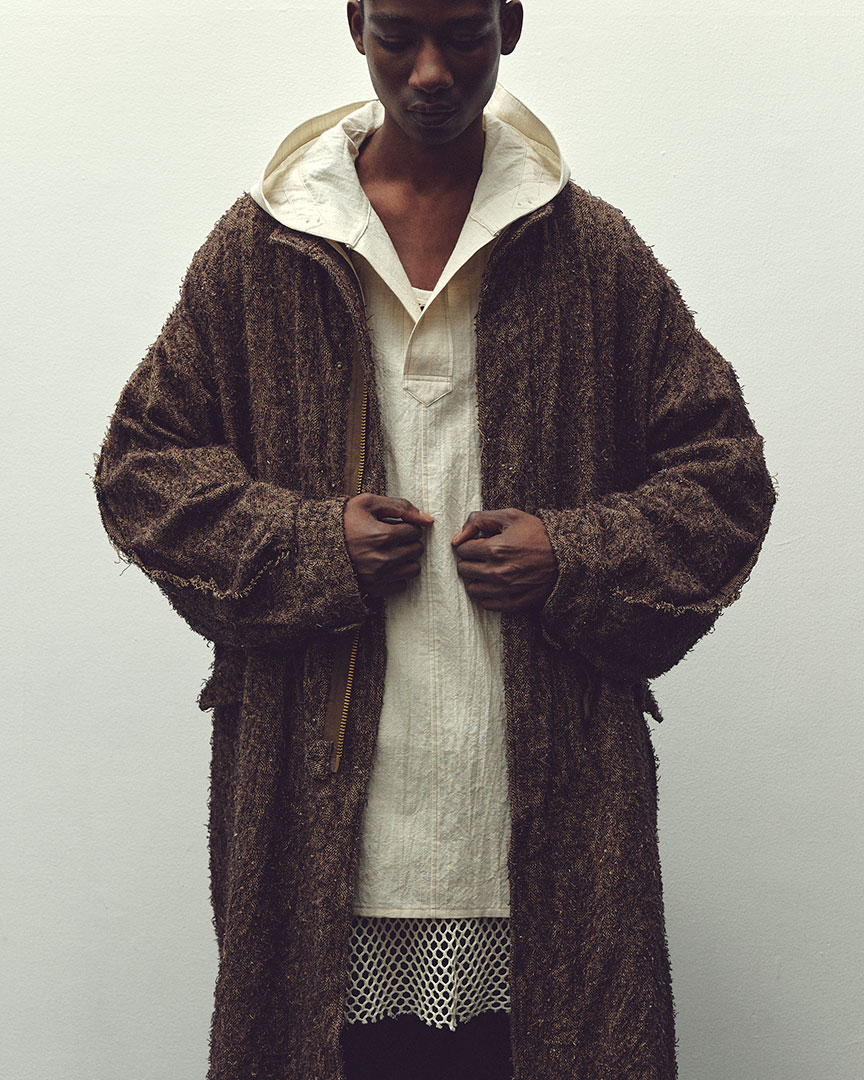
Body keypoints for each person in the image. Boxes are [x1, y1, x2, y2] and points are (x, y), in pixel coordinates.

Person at [93, 1, 776, 1077]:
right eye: (398, 34)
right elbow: (142, 466)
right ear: (354, 22)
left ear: (510, 22)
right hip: (320, 824)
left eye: (462, 33)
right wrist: (312, 545)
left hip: (543, 821)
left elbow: (725, 479)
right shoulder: (267, 246)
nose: (428, 71)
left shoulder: (590, 252)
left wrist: (575, 554)